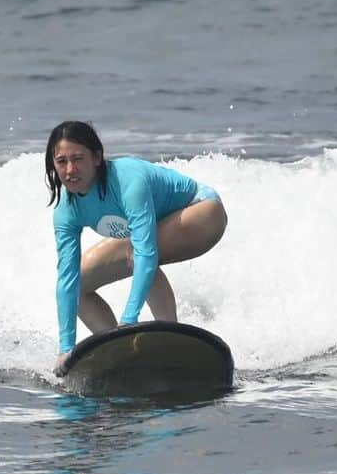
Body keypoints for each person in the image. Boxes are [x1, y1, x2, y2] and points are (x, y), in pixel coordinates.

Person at [47, 121, 227, 376]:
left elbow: (145, 253)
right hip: (158, 231)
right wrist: (66, 349)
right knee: (80, 284)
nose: (70, 169)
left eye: (78, 158)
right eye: (61, 161)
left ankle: (171, 340)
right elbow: (67, 278)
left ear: (97, 157)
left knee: (137, 253)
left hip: (203, 212)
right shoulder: (66, 210)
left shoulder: (128, 181)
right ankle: (120, 352)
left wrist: (129, 320)